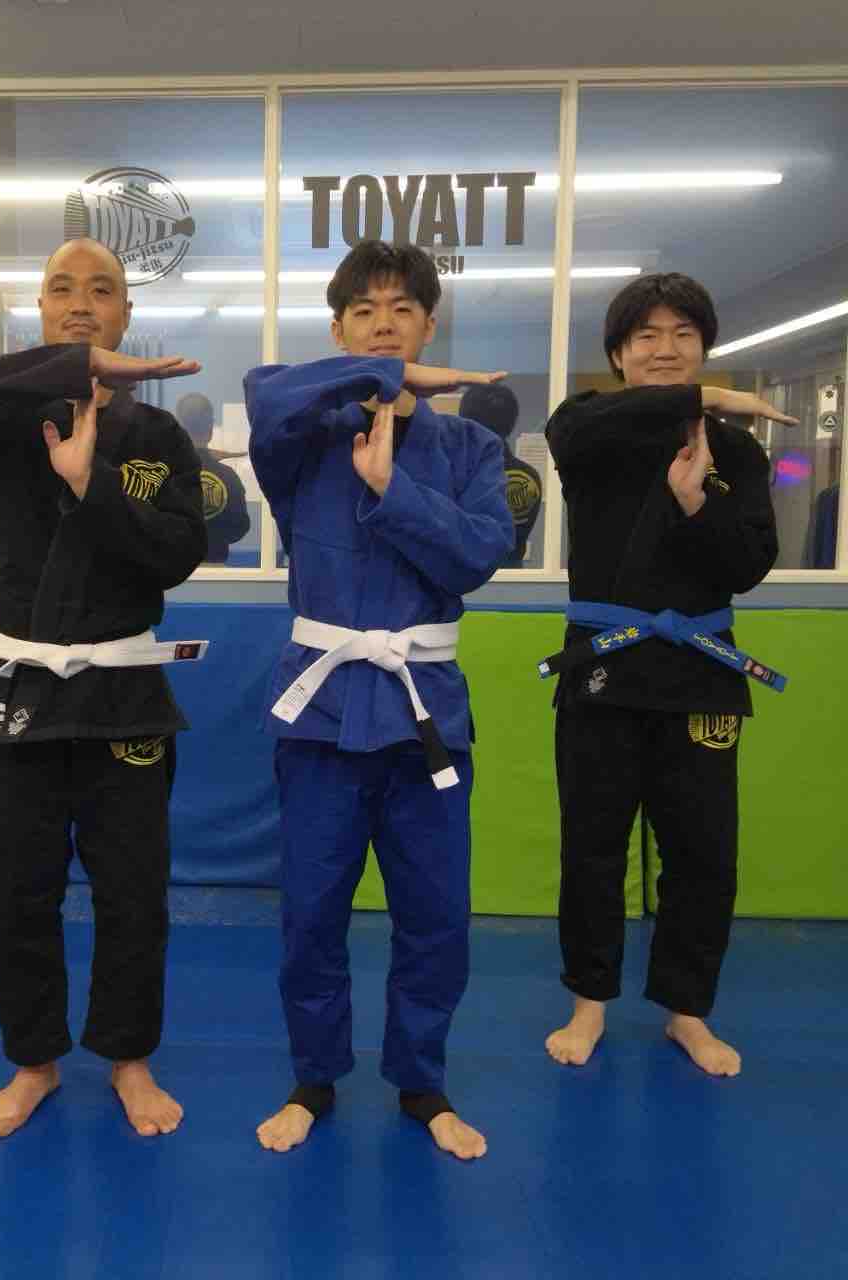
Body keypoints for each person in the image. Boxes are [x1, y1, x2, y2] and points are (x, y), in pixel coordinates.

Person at [0, 238, 207, 1139]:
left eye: (102, 290)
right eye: (62, 288)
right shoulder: (4, 419)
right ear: (41, 313)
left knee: (133, 891)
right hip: (27, 691)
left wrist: (94, 488)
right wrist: (68, 370)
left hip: (126, 694)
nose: (81, 301)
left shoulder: (158, 437)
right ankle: (34, 1062)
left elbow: (179, 552)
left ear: (127, 312)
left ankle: (129, 1058)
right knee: (15, 892)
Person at [244, 241, 513, 1160]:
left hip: (424, 712)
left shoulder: (472, 448)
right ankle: (313, 1079)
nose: (384, 323)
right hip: (320, 718)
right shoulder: (303, 439)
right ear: (339, 330)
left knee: (435, 916)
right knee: (311, 912)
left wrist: (392, 489)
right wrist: (383, 382)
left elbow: (476, 556)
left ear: (431, 324)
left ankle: (423, 1084)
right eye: (364, 310)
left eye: (402, 309)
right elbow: (263, 393)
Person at [540, 272, 796, 1077]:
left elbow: (748, 564)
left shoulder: (738, 451)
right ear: (618, 353)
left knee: (703, 853)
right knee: (593, 848)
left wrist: (696, 504)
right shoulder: (588, 429)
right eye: (646, 335)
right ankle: (589, 1003)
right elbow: (572, 430)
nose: (665, 348)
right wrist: (704, 397)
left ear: (704, 346)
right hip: (604, 673)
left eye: (683, 334)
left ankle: (688, 1011)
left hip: (701, 676)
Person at [458, 382, 542, 568]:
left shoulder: (459, 474)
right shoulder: (528, 475)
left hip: (469, 575)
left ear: (466, 422)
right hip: (511, 576)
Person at [175, 392, 251, 563]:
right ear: (210, 431)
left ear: (178, 429)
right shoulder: (228, 476)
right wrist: (214, 533)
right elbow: (239, 527)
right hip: (215, 568)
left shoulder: (165, 474)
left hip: (174, 567)